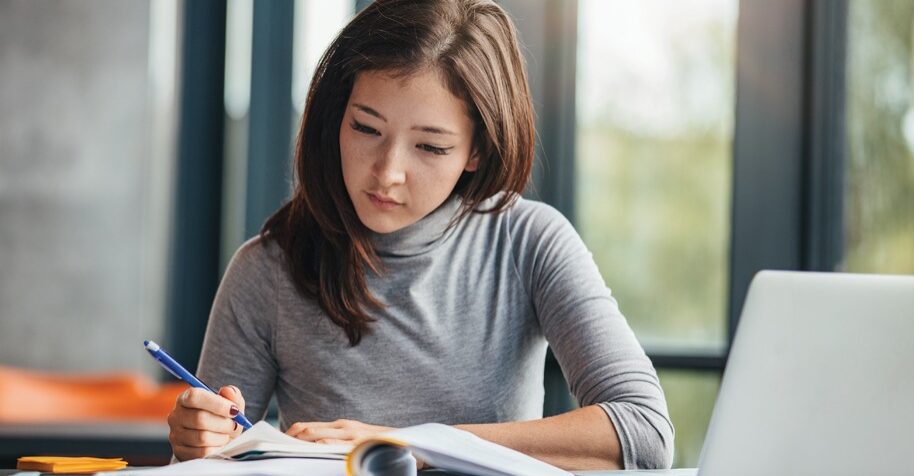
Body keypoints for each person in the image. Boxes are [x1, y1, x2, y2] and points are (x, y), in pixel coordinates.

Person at [165, 0, 674, 470]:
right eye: (366, 129)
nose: (387, 173)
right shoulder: (268, 269)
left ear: (476, 152)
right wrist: (198, 443)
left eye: (430, 148)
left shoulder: (529, 242)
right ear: (336, 117)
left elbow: (644, 433)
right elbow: (212, 464)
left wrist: (414, 443)